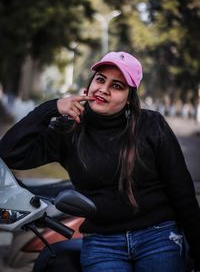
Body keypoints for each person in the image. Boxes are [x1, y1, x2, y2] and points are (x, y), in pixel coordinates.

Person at [0, 51, 200, 272]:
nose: (104, 89)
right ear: (90, 83)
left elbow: (182, 192)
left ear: (129, 97)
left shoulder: (152, 125)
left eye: (117, 86)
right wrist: (52, 107)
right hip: (102, 243)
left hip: (158, 237)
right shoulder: (69, 129)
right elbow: (9, 153)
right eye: (100, 79)